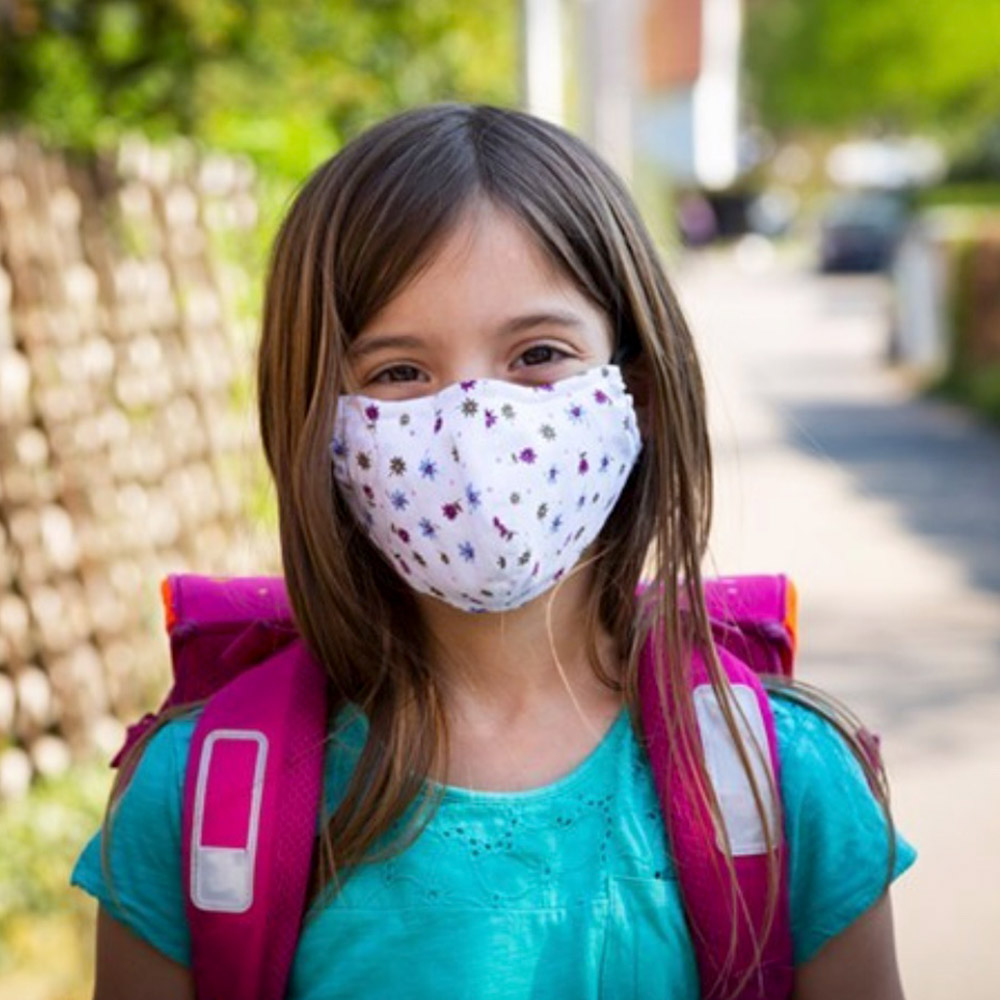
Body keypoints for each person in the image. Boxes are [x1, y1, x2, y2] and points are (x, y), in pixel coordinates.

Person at [72, 103, 915, 1000]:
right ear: (315, 422)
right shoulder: (197, 807)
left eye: (538, 354)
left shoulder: (786, 784)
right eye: (399, 373)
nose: (475, 427)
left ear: (640, 386)